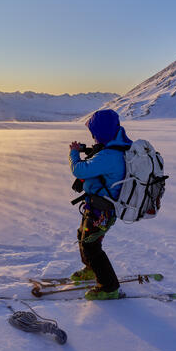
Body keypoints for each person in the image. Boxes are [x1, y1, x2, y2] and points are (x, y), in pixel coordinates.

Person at [69, 109, 132, 300]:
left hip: (101, 209)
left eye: (94, 134)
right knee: (84, 237)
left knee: (91, 246)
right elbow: (100, 158)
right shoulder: (117, 146)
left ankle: (109, 287)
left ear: (101, 132)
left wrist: (73, 154)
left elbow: (80, 171)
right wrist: (89, 150)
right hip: (97, 207)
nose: (94, 138)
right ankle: (91, 269)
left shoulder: (110, 156)